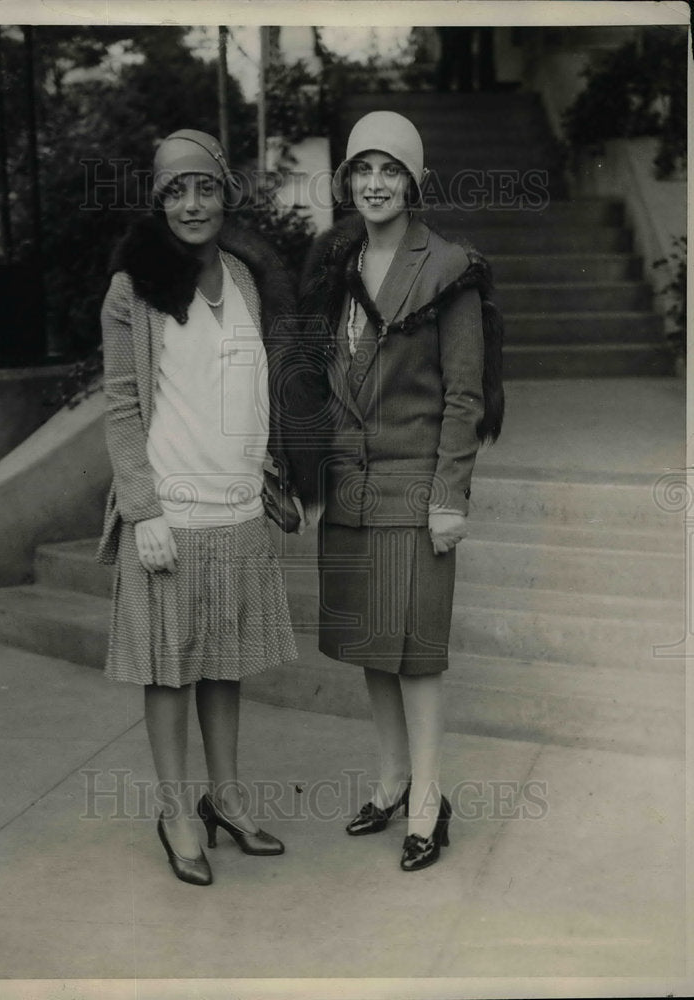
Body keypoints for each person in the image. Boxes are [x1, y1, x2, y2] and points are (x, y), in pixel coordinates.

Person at [96, 129, 309, 886]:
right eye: (175, 191)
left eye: (205, 188)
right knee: (169, 672)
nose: (192, 204)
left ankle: (226, 798)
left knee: (225, 666)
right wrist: (142, 508)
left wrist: (271, 471)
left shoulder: (246, 280)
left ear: (226, 194)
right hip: (169, 513)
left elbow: (248, 389)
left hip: (236, 504)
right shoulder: (133, 289)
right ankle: (176, 809)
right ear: (158, 202)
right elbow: (122, 408)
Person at [296, 111, 503, 872]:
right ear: (347, 179)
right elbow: (316, 382)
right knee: (369, 649)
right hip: (350, 487)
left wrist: (450, 494)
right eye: (362, 169)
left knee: (415, 654)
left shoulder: (447, 266)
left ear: (413, 181)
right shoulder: (335, 267)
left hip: (416, 488)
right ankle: (389, 781)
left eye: (390, 169)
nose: (375, 183)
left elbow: (463, 396)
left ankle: (427, 800)